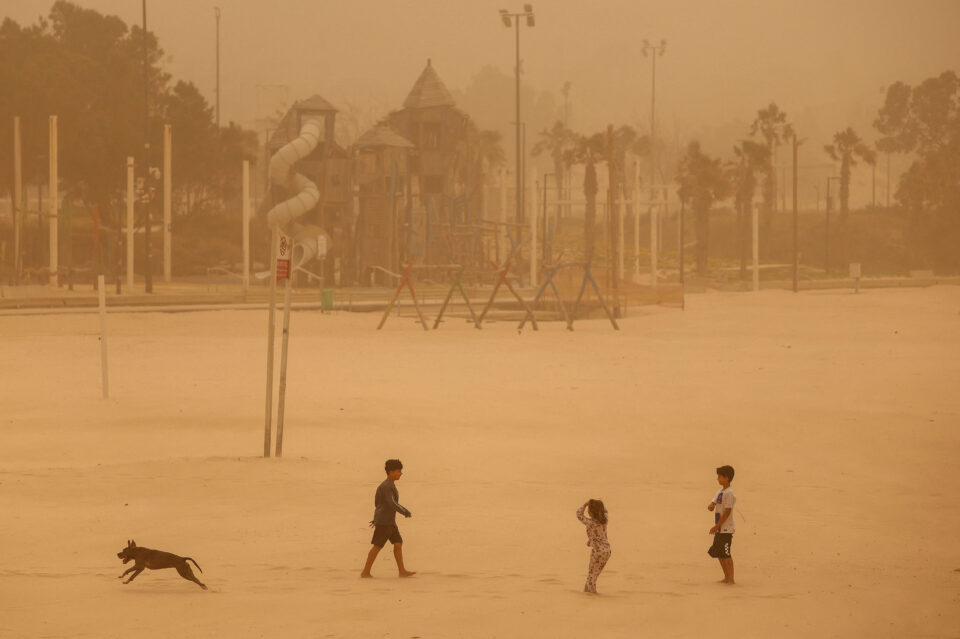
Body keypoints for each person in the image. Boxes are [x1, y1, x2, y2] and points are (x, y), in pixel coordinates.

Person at [360, 459, 415, 578]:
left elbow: (378, 504)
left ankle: (402, 571)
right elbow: (392, 503)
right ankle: (365, 572)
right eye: (398, 471)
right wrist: (405, 511)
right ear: (391, 472)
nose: (401, 473)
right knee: (377, 546)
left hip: (389, 521)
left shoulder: (388, 485)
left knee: (398, 543)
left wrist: (376, 518)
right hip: (385, 522)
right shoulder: (386, 486)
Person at [707, 465, 736, 584]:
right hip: (720, 529)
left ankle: (731, 579)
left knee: (726, 554)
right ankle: (726, 577)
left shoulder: (730, 493)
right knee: (719, 553)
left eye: (720, 476)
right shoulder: (720, 491)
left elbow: (727, 512)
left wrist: (717, 526)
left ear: (727, 478)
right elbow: (715, 500)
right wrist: (711, 504)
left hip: (726, 529)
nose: (718, 478)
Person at [576, 499, 611, 594]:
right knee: (595, 574)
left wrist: (585, 504)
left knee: (591, 574)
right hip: (607, 551)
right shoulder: (605, 519)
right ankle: (589, 591)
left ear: (591, 513)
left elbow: (579, 515)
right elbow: (605, 510)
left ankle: (590, 594)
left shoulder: (591, 522)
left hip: (598, 551)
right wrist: (598, 503)